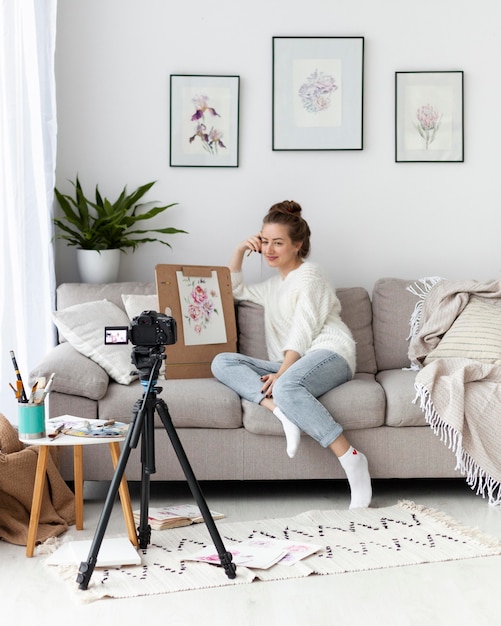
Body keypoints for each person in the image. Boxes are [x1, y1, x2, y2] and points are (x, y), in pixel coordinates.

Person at [211, 200, 372, 509]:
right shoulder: (272, 285)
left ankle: (352, 460)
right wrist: (238, 252)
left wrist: (283, 374)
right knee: (222, 362)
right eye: (265, 241)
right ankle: (281, 411)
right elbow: (234, 292)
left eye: (279, 242)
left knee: (286, 385)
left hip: (329, 353)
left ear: (297, 245)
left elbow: (303, 329)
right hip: (293, 362)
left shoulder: (312, 275)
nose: (270, 249)